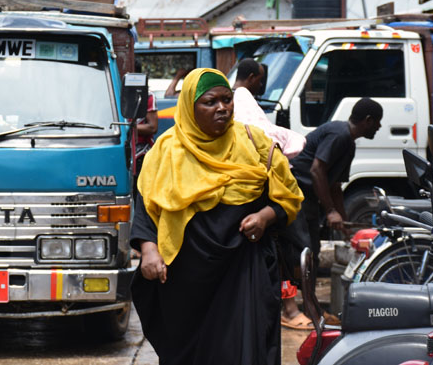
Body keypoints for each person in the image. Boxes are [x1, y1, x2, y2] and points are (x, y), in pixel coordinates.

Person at [131, 68, 303, 365]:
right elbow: (147, 205)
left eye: (227, 100)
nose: (222, 107)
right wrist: (148, 249)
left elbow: (288, 196)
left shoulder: (254, 144)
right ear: (189, 106)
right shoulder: (166, 151)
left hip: (244, 270)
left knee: (244, 351)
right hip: (185, 280)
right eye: (210, 101)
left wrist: (265, 216)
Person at [231, 58, 310, 330]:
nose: (262, 85)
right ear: (252, 77)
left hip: (256, 191)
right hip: (264, 188)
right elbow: (262, 137)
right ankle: (291, 309)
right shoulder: (242, 101)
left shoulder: (236, 100)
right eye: (261, 79)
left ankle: (289, 307)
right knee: (289, 248)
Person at [290, 98, 383, 270]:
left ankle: (309, 295)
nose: (380, 127)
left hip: (307, 196)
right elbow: (316, 170)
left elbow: (335, 187)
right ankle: (301, 295)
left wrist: (345, 224)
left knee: (312, 251)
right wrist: (331, 211)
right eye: (378, 121)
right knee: (303, 252)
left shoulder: (349, 144)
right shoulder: (340, 134)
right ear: (368, 120)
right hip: (295, 192)